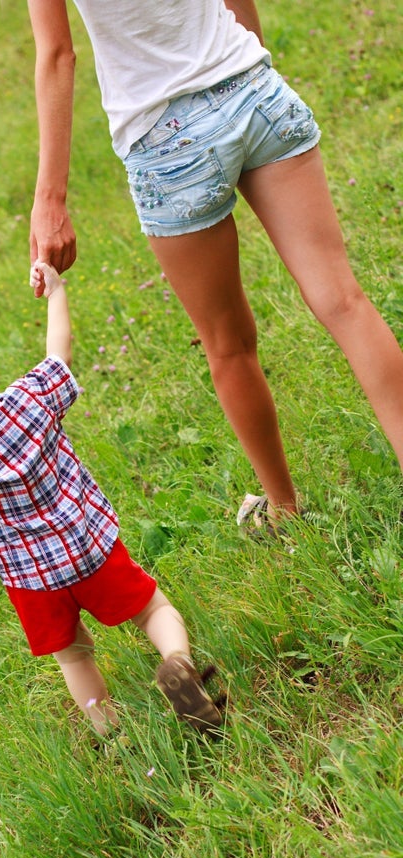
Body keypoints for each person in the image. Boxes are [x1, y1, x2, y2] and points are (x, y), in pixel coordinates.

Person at [27, 0, 403, 529]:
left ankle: (286, 515)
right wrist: (248, 70)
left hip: (164, 137)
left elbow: (58, 55)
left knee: (228, 345)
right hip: (252, 87)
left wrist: (51, 200)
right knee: (344, 301)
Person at [0, 261, 224, 738]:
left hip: (33, 584)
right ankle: (177, 662)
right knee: (153, 608)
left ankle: (114, 734)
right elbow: (58, 353)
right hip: (90, 546)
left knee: (73, 654)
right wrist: (56, 293)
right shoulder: (29, 399)